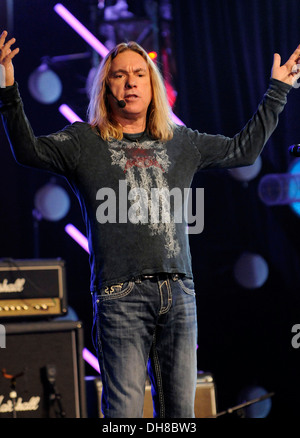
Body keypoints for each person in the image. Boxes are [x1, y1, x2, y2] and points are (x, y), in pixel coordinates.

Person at [0, 29, 299, 418]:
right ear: (106, 85)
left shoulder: (181, 141)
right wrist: (7, 86)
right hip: (118, 297)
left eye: (139, 73)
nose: (131, 82)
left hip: (179, 294)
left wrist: (277, 90)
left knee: (180, 418)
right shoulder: (83, 141)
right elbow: (28, 150)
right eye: (120, 74)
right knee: (123, 415)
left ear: (152, 83)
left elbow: (243, 150)